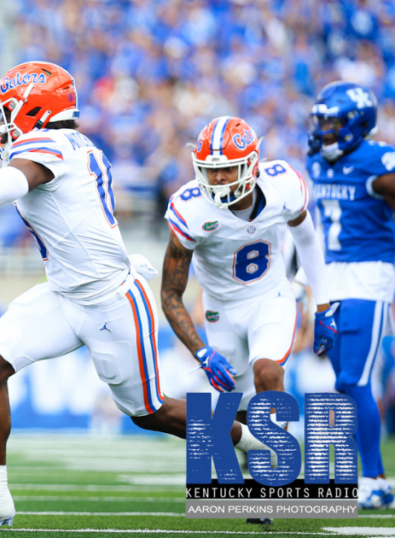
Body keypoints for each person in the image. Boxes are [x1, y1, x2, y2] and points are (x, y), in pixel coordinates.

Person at [0, 61, 276, 527]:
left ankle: (253, 442)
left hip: (111, 298)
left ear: (35, 110)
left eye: (11, 111)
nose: (3, 122)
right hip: (64, 293)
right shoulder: (62, 143)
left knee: (148, 411)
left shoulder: (50, 144)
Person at [159, 116, 334, 422]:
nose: (219, 179)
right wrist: (200, 351)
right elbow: (170, 293)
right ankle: (249, 463)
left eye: (228, 169)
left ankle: (278, 460)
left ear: (252, 165)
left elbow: (307, 240)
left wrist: (323, 306)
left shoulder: (282, 185)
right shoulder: (190, 210)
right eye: (211, 171)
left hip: (270, 296)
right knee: (236, 403)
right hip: (220, 308)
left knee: (267, 373)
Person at [307, 81, 395, 509]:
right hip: (331, 276)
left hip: (369, 274)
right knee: (343, 384)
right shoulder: (318, 162)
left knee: (353, 379)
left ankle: (375, 478)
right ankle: (361, 475)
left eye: (332, 122)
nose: (323, 129)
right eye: (321, 121)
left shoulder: (379, 161)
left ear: (356, 125)